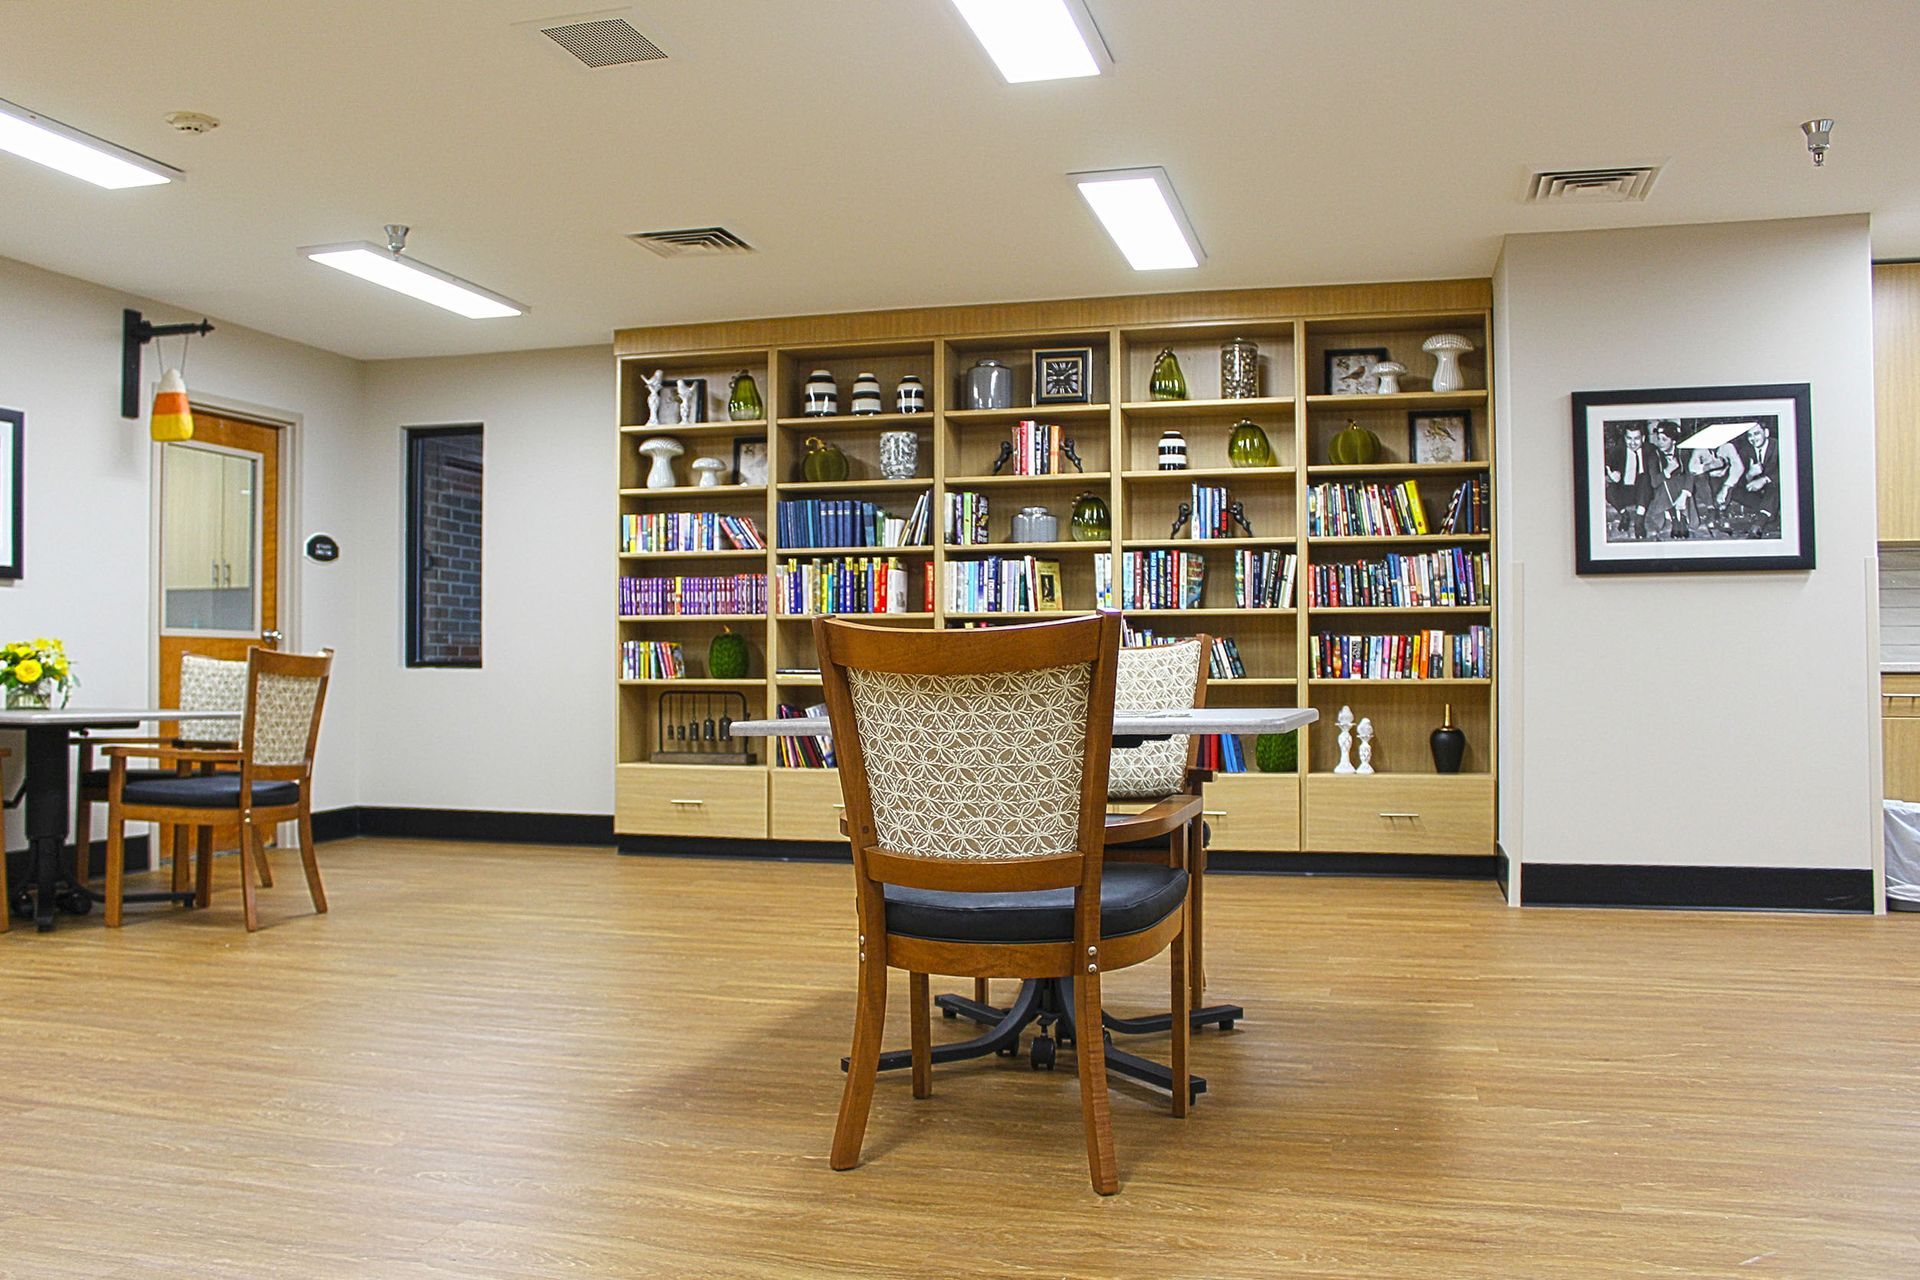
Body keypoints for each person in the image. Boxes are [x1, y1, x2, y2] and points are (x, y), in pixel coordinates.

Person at [1726, 420, 1781, 534]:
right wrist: (1750, 474)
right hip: (1757, 492)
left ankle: (1759, 523)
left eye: (1756, 434)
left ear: (1766, 433)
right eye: (1750, 435)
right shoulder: (1746, 450)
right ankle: (1769, 515)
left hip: (1775, 486)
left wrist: (1764, 479)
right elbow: (1740, 477)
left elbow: (1788, 469)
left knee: (1775, 488)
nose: (1753, 438)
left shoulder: (1778, 446)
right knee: (1734, 491)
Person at [1604, 423, 1657, 539]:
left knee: (1644, 477)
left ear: (1643, 438)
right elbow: (1604, 467)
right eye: (1629, 438)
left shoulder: (1651, 450)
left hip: (1643, 492)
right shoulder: (1617, 451)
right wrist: (1610, 475)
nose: (1632, 443)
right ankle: (1624, 515)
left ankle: (1639, 521)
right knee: (1609, 489)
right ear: (1625, 438)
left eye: (1636, 438)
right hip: (1624, 491)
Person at [1644, 422, 1694, 538]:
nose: (1659, 443)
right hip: (1662, 494)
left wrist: (1684, 495)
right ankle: (1676, 517)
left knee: (1681, 479)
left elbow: (1690, 474)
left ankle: (1679, 516)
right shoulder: (1654, 456)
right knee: (1668, 481)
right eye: (1658, 439)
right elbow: (1654, 482)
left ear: (1674, 441)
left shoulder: (1683, 453)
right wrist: (1668, 470)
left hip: (1682, 495)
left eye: (1664, 439)